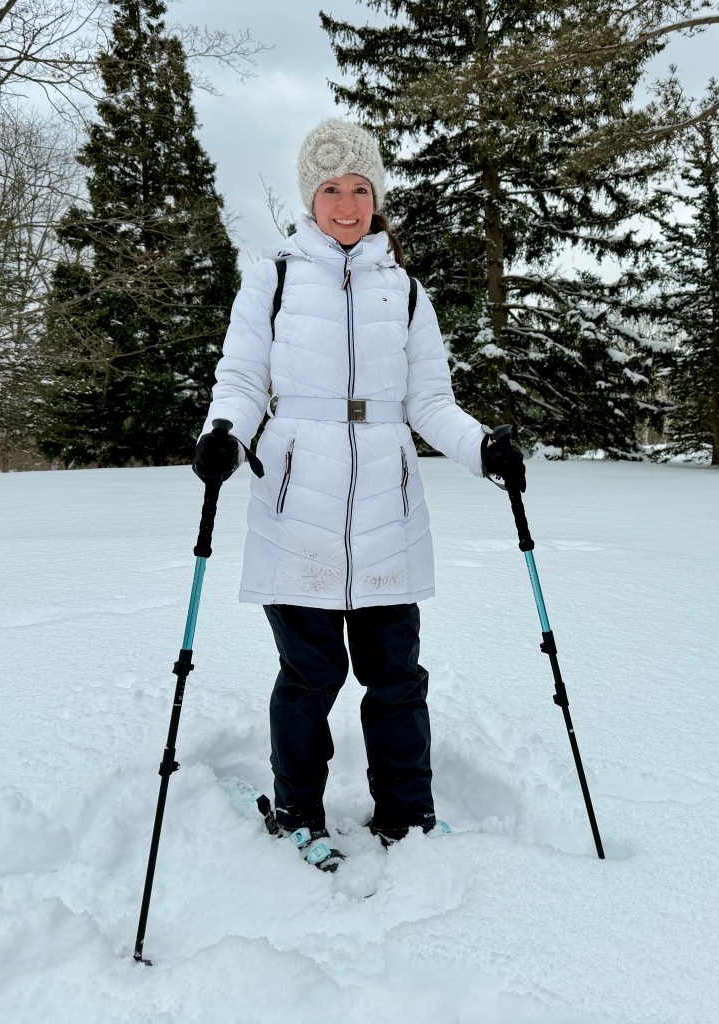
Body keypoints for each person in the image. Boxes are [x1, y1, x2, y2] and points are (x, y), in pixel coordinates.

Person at [193, 119, 524, 862]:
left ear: (378, 197)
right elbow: (243, 379)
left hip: (386, 504)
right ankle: (298, 812)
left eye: (361, 189)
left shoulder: (404, 294)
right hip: (296, 504)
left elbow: (429, 401)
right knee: (310, 674)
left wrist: (483, 447)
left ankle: (407, 814)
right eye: (332, 189)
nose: (347, 205)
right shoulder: (272, 278)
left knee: (395, 675)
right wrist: (225, 433)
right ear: (311, 198)